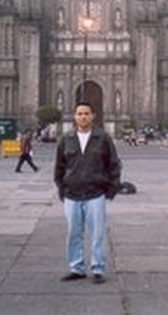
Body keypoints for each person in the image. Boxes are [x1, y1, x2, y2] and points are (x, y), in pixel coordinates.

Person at [54, 101, 122, 285]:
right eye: (80, 113)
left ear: (93, 116)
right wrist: (62, 187)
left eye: (86, 113)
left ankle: (98, 268)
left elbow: (114, 164)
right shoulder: (66, 138)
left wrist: (111, 189)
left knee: (97, 233)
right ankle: (77, 268)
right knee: (73, 233)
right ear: (75, 116)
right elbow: (59, 167)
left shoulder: (103, 138)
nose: (83, 116)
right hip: (72, 194)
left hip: (96, 193)